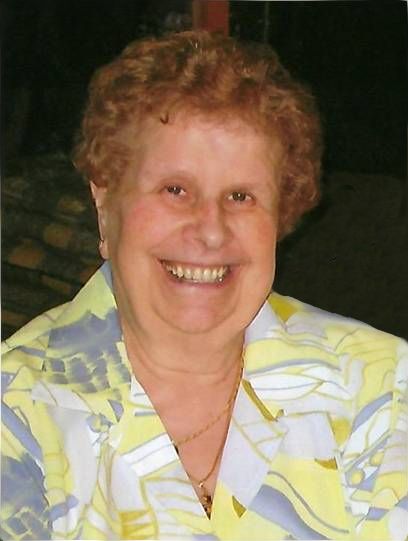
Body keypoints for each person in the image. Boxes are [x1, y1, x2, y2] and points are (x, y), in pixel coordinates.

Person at [1, 30, 407, 541]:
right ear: (105, 206)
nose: (211, 230)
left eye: (241, 196)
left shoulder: (383, 388)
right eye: (175, 189)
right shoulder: (16, 413)